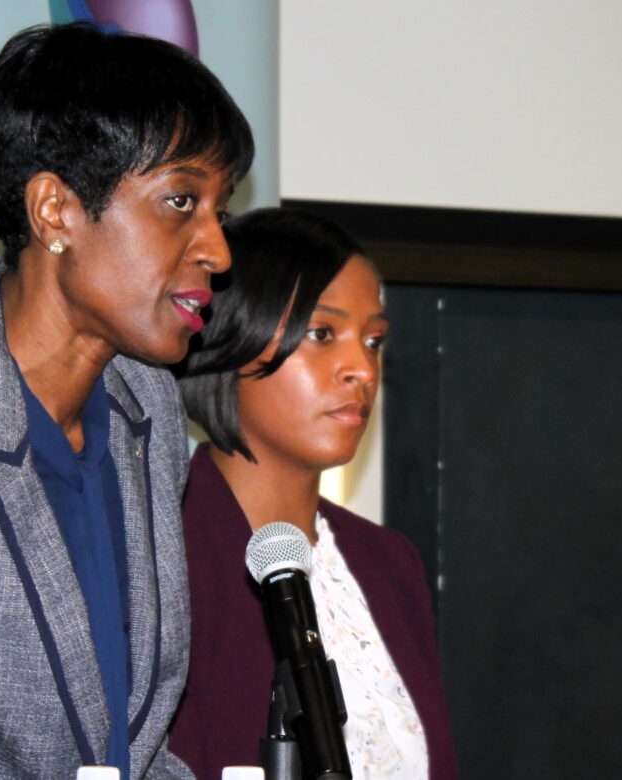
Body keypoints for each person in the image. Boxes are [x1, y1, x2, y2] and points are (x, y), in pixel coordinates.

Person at [0, 23, 252, 777]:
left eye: (218, 212)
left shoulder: (151, 414)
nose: (218, 251)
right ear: (55, 211)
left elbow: (123, 741)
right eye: (180, 202)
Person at [169, 208, 458, 779]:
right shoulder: (165, 551)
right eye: (323, 334)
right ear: (234, 334)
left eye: (374, 341)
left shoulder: (389, 563)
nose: (362, 370)